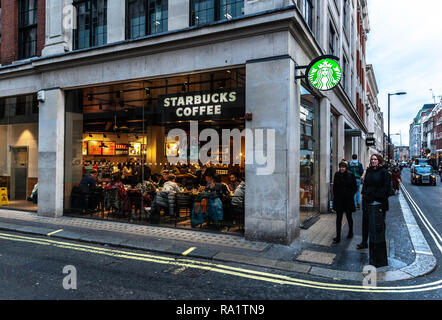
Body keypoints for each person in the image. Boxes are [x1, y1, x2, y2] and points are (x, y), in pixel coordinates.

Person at [357, 154, 391, 250]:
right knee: (365, 222)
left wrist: (375, 196)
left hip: (379, 202)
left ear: (379, 161)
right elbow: (365, 184)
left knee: (379, 224)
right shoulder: (368, 170)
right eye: (372, 159)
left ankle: (379, 244)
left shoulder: (384, 172)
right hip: (367, 201)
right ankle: (364, 242)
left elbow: (386, 188)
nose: (373, 161)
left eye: (375, 159)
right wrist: (364, 194)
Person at [332, 161, 357, 243]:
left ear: (346, 168)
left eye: (343, 167)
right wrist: (335, 196)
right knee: (338, 218)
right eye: (340, 167)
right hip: (339, 200)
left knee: (349, 217)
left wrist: (350, 195)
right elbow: (335, 187)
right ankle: (338, 236)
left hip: (348, 200)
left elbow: (354, 187)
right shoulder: (336, 174)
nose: (341, 168)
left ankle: (351, 232)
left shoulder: (351, 175)